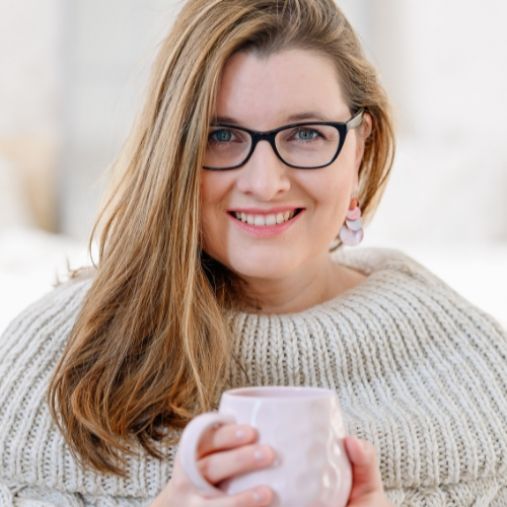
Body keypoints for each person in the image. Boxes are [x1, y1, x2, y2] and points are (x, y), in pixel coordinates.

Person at [0, 0, 506, 505]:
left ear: (360, 148)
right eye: (220, 135)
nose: (265, 184)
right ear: (171, 154)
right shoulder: (48, 360)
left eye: (306, 134)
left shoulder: (476, 365)